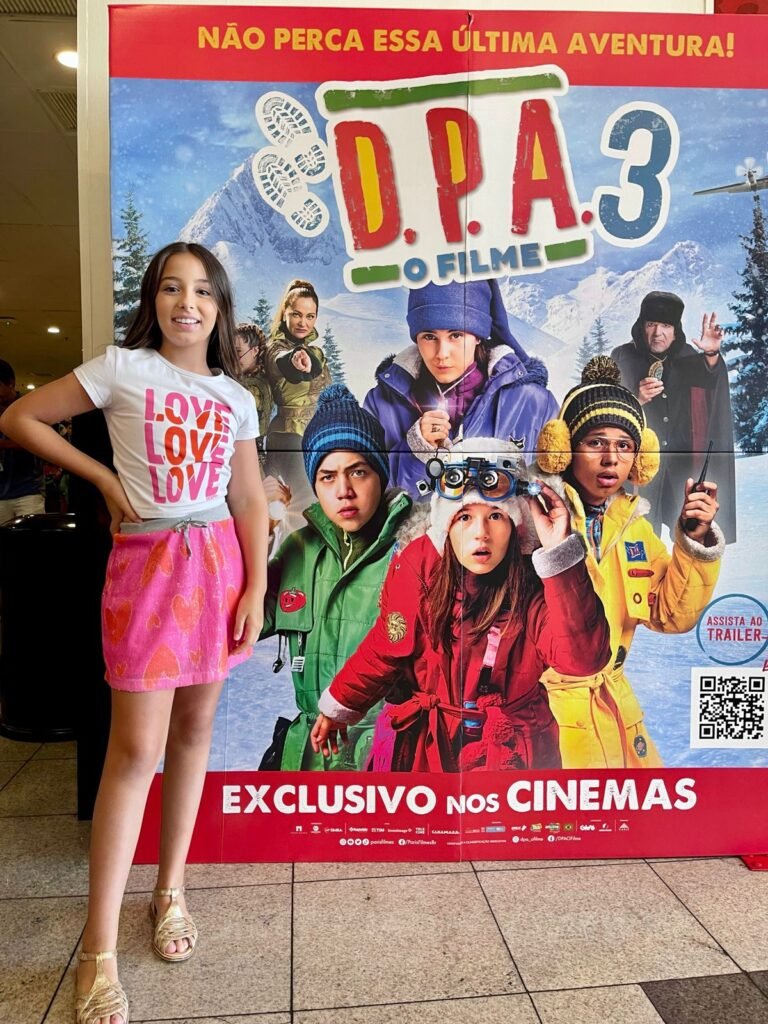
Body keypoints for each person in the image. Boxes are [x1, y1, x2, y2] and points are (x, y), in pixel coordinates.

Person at [0, 241, 268, 1024]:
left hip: (218, 568)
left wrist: (256, 586)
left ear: (219, 308)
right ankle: (98, 951)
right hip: (147, 570)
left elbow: (249, 498)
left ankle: (170, 890)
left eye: (204, 292)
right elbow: (18, 417)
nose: (188, 303)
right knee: (133, 753)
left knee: (194, 735)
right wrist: (103, 477)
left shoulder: (233, 396)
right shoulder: (122, 370)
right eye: (172, 288)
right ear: (153, 299)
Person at [311, 439, 611, 772]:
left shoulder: (538, 578)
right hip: (430, 745)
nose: (481, 533)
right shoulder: (420, 565)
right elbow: (386, 647)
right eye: (465, 516)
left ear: (516, 525)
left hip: (514, 748)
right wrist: (339, 705)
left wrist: (558, 554)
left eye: (496, 515)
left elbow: (582, 661)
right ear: (446, 525)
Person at [535, 355, 724, 768]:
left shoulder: (633, 527)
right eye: (595, 442)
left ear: (640, 457)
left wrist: (693, 540)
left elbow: (671, 616)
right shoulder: (531, 519)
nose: (611, 458)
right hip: (544, 723)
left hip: (617, 714)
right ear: (563, 449)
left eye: (624, 445)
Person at [260, 383, 412, 770]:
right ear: (314, 484)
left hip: (385, 758)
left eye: (358, 472)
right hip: (305, 759)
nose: (344, 491)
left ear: (380, 474)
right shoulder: (298, 550)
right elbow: (229, 628)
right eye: (327, 477)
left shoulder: (413, 551)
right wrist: (255, 534)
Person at [363, 278, 559, 498]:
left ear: (478, 337)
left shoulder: (535, 404)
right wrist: (417, 451)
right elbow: (372, 500)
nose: (442, 353)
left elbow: (554, 495)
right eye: (429, 336)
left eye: (456, 335)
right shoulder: (382, 404)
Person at [611, 291, 736, 543]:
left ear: (676, 330)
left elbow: (713, 392)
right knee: (637, 542)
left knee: (692, 539)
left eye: (666, 325)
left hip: (683, 467)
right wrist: (636, 399)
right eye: (651, 324)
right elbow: (605, 412)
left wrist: (712, 356)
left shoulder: (690, 357)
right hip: (639, 470)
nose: (658, 332)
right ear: (641, 326)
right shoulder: (622, 357)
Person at [264, 278, 331, 436]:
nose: (303, 323)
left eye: (310, 316)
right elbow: (281, 359)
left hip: (318, 433)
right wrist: (295, 357)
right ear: (285, 313)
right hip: (289, 435)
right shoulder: (275, 348)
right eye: (296, 315)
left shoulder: (315, 351)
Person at [0, 359, 46, 520]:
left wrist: (4, 445)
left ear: (10, 383)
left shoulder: (29, 407)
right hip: (2, 492)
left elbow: (40, 443)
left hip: (28, 490)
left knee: (30, 533)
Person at [234, 321, 272, 435]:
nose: (232, 358)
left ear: (255, 351)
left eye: (238, 351)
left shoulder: (255, 387)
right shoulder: (243, 379)